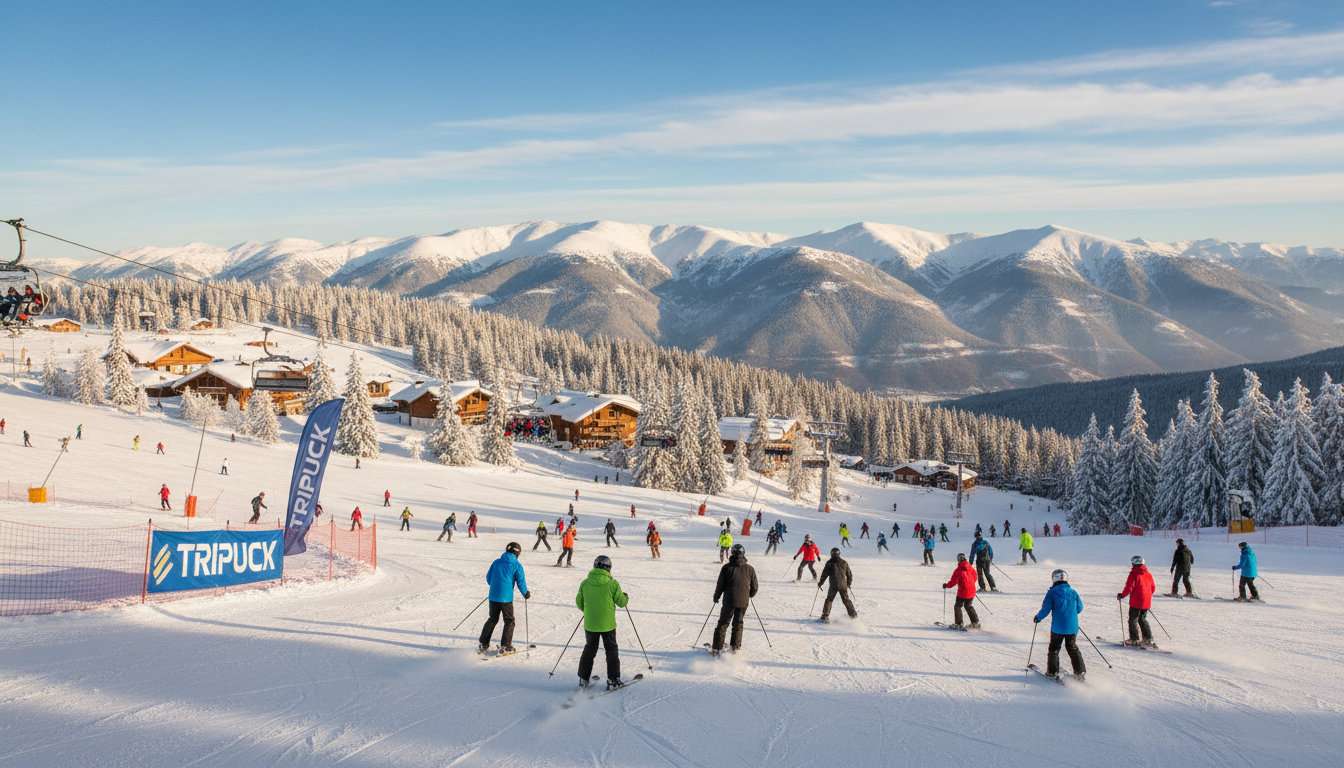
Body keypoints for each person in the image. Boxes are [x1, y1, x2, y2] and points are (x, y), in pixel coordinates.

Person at [575, 554, 629, 690]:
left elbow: (579, 603)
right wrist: (625, 597)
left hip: (590, 623)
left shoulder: (585, 583)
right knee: (611, 650)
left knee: (589, 649)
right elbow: (621, 603)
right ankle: (613, 680)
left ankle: (583, 679)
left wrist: (589, 611)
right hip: (607, 624)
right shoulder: (612, 583)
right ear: (609, 569)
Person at [1035, 569, 1086, 681]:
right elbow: (1080, 607)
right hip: (1072, 626)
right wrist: (1070, 615)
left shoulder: (1052, 592)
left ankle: (1053, 672)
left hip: (1058, 627)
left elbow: (1046, 608)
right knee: (1072, 648)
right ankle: (1080, 672)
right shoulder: (1073, 592)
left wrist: (1038, 617)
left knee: (1054, 649)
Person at [478, 542, 530, 653]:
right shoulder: (516, 565)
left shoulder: (497, 562)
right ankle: (506, 645)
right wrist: (525, 593)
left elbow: (488, 577)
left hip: (493, 596)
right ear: (517, 553)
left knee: (493, 618)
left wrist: (496, 587)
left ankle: (484, 643)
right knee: (509, 620)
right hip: (506, 598)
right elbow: (520, 582)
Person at [711, 543, 759, 654]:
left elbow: (720, 584)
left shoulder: (727, 568)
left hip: (729, 600)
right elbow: (755, 587)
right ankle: (735, 647)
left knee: (723, 623)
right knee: (738, 623)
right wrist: (749, 595)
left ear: (732, 553)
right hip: (743, 601)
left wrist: (716, 596)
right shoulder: (750, 569)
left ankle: (717, 648)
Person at [1117, 555, 1157, 647]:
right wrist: (1146, 596)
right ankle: (1148, 639)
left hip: (1137, 601)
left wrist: (1122, 595)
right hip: (1146, 601)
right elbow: (1153, 587)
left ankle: (1134, 639)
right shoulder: (1148, 574)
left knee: (1133, 619)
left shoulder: (1134, 574)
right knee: (1142, 619)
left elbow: (1129, 587)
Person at [817, 547, 858, 622]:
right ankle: (853, 614)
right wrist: (848, 583)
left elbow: (824, 574)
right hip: (843, 585)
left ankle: (825, 615)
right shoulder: (844, 562)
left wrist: (820, 582)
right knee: (846, 599)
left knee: (829, 599)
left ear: (831, 554)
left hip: (833, 584)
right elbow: (849, 574)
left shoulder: (829, 562)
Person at [943, 553, 981, 629]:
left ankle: (958, 623)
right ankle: (975, 623)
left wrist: (946, 585)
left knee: (958, 606)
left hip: (963, 591)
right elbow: (975, 577)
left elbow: (953, 582)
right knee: (968, 606)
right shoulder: (971, 568)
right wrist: (970, 584)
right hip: (972, 590)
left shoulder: (958, 570)